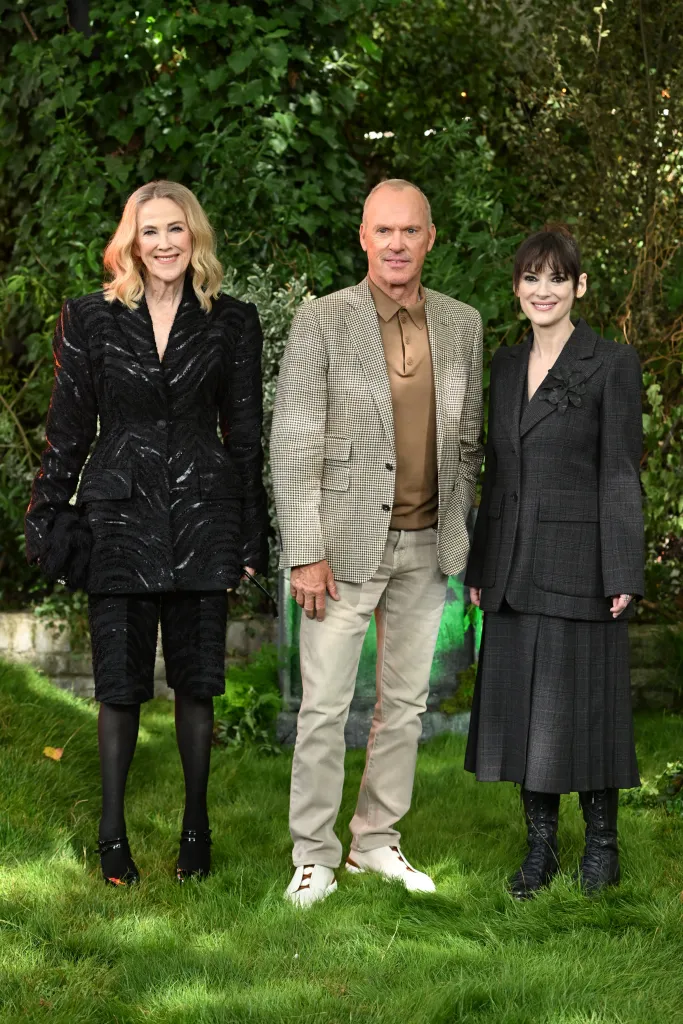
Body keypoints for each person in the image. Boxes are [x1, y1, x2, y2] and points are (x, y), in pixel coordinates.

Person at [25, 181, 269, 885]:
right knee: (119, 686)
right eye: (150, 231)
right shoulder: (89, 319)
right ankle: (112, 839)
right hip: (118, 516)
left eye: (175, 229)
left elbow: (245, 437)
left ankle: (197, 832)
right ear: (131, 242)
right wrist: (45, 516)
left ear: (195, 236)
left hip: (204, 514)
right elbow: (67, 431)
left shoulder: (232, 322)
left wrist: (250, 538)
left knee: (197, 683)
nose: (164, 243)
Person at [271, 179, 484, 906]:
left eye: (410, 231)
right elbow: (293, 441)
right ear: (362, 238)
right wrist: (304, 548)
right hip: (342, 549)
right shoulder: (323, 321)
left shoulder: (463, 324)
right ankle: (313, 855)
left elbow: (466, 443)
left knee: (406, 705)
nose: (396, 244)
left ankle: (376, 843)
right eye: (382, 231)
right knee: (325, 707)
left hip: (427, 549)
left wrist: (459, 531)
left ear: (430, 238)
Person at [464, 224, 644, 898]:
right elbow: (496, 473)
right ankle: (539, 850)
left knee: (588, 707)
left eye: (556, 278)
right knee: (521, 711)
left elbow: (620, 471)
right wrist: (481, 567)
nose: (543, 290)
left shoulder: (610, 362)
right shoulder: (505, 365)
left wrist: (623, 568)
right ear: (515, 288)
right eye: (531, 278)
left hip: (582, 563)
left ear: (579, 287)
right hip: (510, 563)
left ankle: (602, 846)